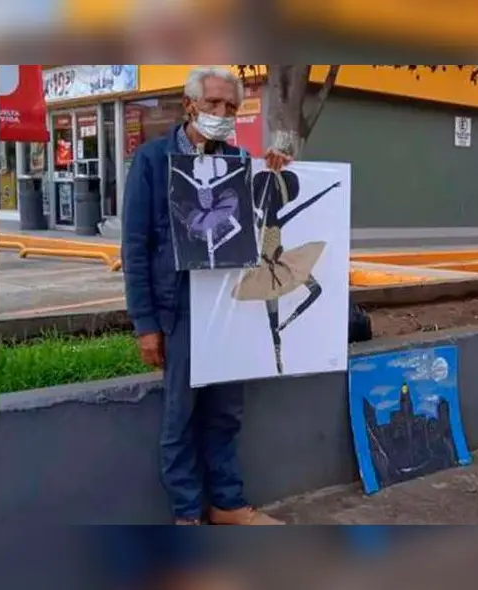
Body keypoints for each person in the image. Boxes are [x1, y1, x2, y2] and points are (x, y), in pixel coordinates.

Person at [122, 66, 288, 525]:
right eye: (213, 104)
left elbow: (264, 216)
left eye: (231, 107)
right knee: (180, 420)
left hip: (229, 308)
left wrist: (275, 167)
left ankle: (227, 503)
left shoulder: (239, 162)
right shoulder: (153, 161)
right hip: (180, 311)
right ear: (189, 104)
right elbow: (136, 247)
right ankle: (187, 514)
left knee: (224, 414)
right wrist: (146, 325)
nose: (222, 113)